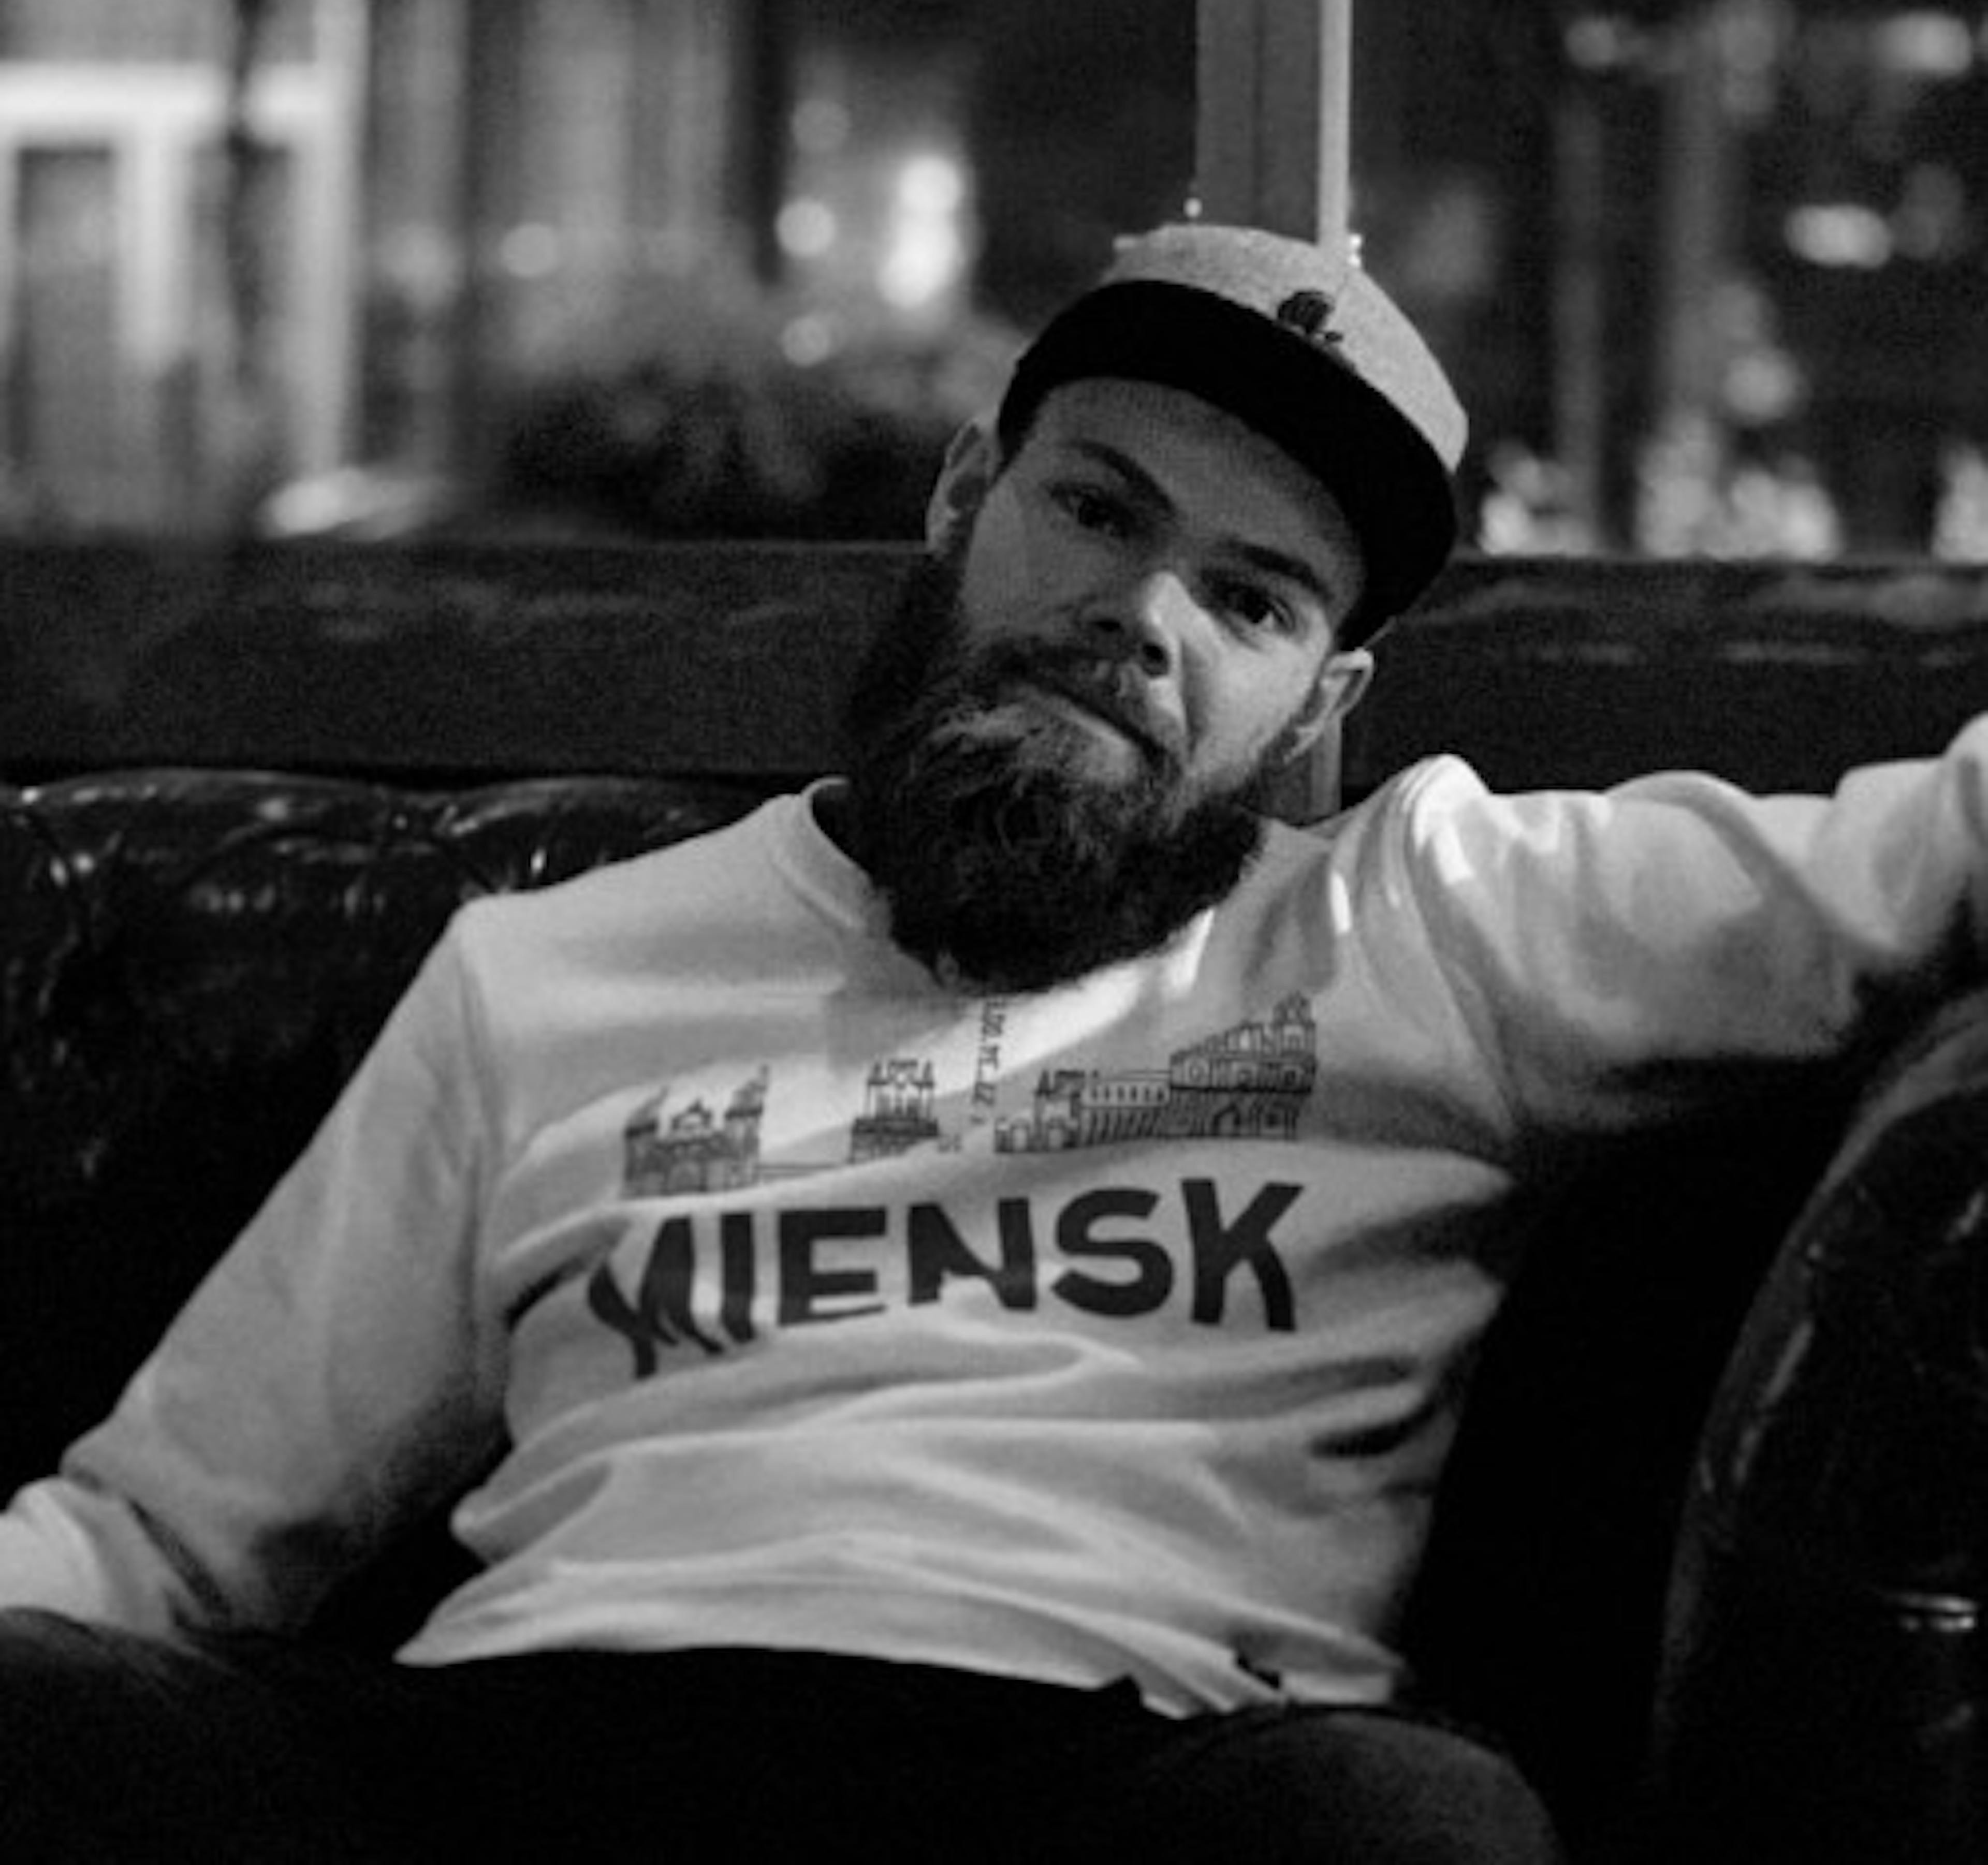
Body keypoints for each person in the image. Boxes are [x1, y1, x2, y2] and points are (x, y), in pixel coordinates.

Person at [2, 218, 1984, 1864]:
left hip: (1122, 1779)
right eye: (1100, 511)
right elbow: (159, 1532)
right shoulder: (543, 973)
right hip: (543, 1754)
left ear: (1319, 704)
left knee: (1408, 1825)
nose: (1146, 617)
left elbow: (1933, 852)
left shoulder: (1429, 925)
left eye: (1252, 599)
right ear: (965, 499)